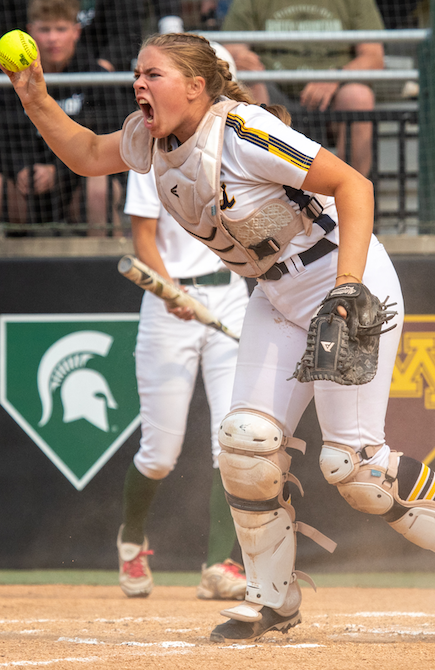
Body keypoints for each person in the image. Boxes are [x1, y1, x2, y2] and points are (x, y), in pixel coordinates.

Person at [1, 31, 435, 642]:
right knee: (245, 446)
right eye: (137, 74)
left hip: (344, 277)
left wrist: (348, 290)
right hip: (274, 295)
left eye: (153, 74)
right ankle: (272, 599)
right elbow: (87, 155)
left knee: (355, 467)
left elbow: (354, 187)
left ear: (196, 87)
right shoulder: (153, 139)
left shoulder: (243, 131)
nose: (138, 85)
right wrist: (35, 96)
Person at [116, 44, 249, 601]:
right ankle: (131, 539)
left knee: (235, 441)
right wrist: (171, 291)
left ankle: (222, 563)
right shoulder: (154, 144)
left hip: (232, 299)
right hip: (172, 304)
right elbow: (143, 237)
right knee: (160, 452)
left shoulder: (244, 145)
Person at [0, 0, 127, 237]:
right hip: (25, 190)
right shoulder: (15, 81)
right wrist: (21, 169)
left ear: (76, 32)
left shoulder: (96, 77)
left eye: (60, 29)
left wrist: (57, 172)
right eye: (45, 29)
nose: (53, 38)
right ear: (30, 32)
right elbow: (5, 142)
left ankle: (103, 273)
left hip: (77, 186)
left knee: (99, 189)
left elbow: (111, 140)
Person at [221, 0, 385, 177]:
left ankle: (351, 191)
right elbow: (231, 47)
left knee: (359, 96)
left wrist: (335, 76)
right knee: (248, 86)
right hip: (274, 91)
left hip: (333, 97)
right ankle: (261, 193)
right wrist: (241, 57)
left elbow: (374, 57)